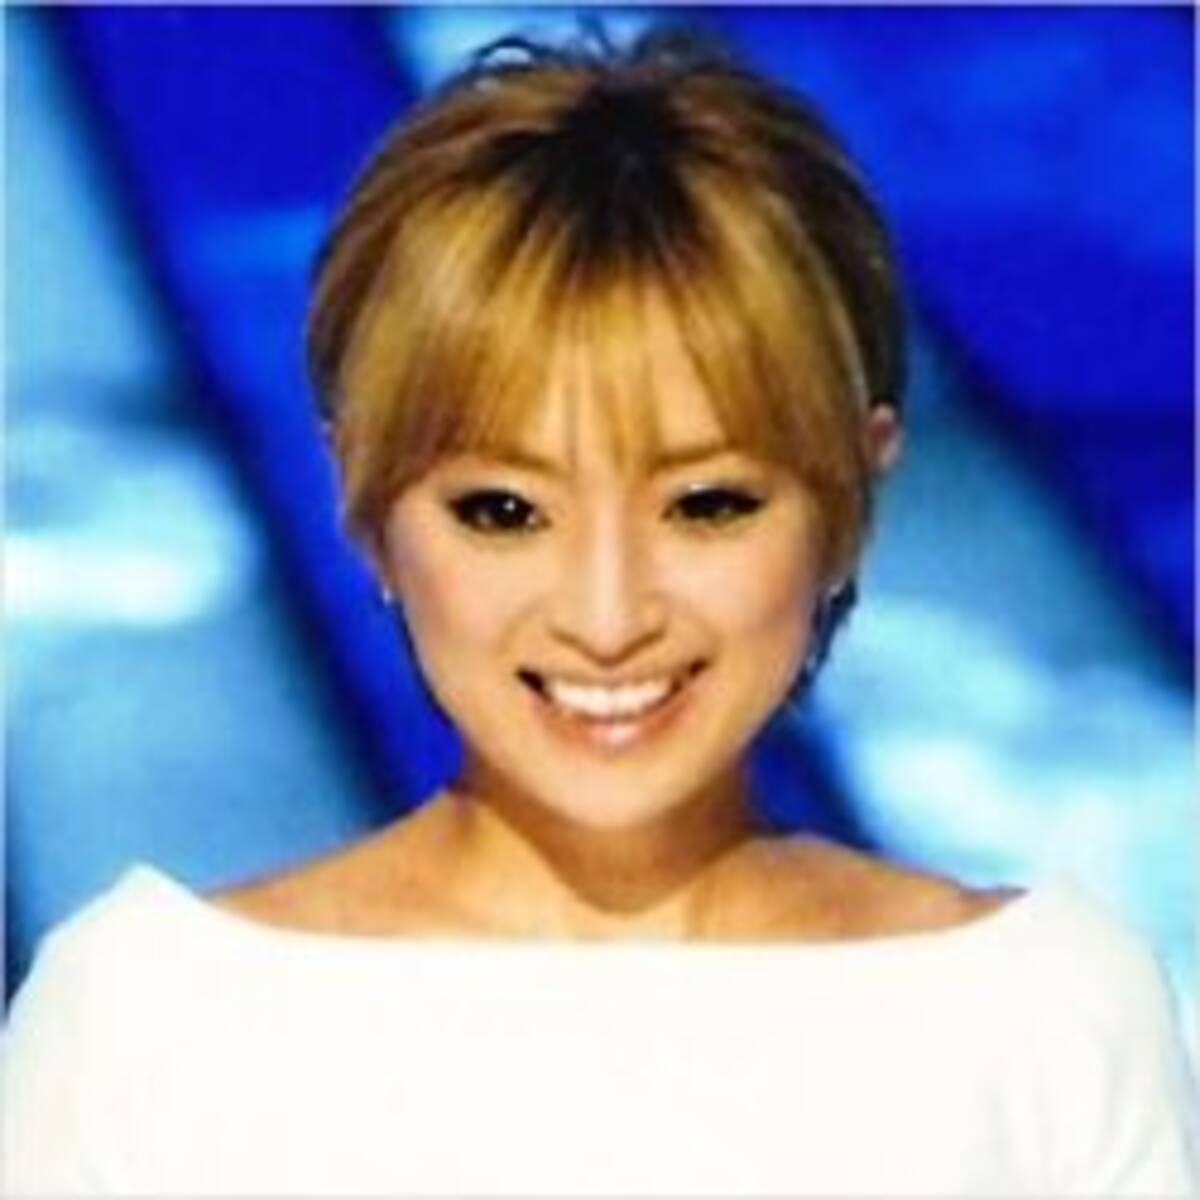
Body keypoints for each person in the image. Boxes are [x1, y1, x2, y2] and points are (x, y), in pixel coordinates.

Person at [5, 25, 1196, 1196]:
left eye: (709, 506)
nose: (608, 612)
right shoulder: (143, 1028)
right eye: (503, 512)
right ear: (365, 506)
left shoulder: (1053, 1018)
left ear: (851, 496)